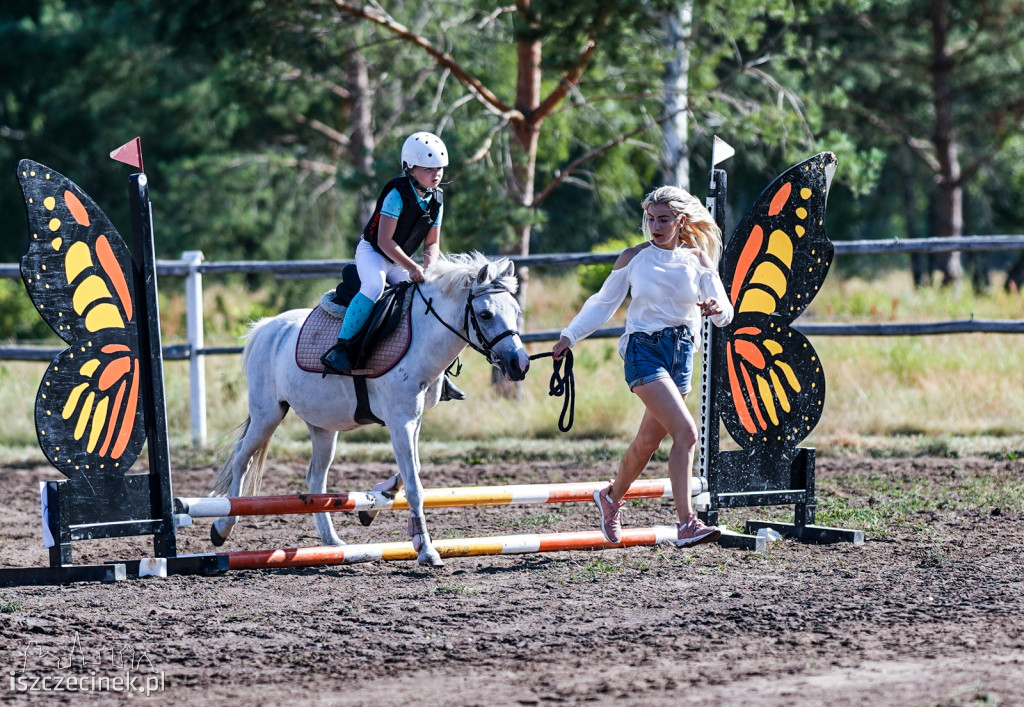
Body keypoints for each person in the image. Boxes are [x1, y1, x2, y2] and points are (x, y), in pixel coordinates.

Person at [552, 185, 733, 547]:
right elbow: (603, 303)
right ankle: (687, 524)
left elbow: (726, 312)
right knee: (687, 433)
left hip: (680, 354)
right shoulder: (634, 257)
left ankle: (610, 497)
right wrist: (570, 335)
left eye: (664, 219)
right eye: (650, 219)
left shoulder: (698, 259)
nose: (655, 225)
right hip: (642, 351)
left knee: (647, 443)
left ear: (681, 221)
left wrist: (716, 308)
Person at [321, 131, 465, 401]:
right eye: (429, 168)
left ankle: (440, 376)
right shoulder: (396, 194)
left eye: (440, 169)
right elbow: (385, 241)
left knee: (427, 297)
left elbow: (432, 244)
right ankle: (341, 348)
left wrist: (429, 267)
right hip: (374, 252)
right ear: (410, 168)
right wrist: (412, 267)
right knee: (374, 286)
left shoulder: (438, 199)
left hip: (400, 259)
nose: (436, 174)